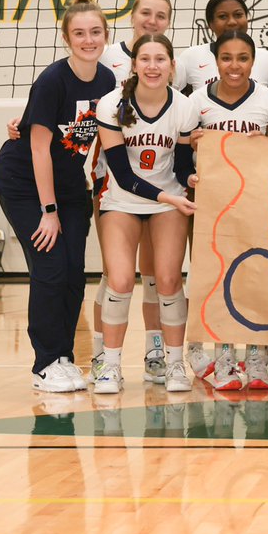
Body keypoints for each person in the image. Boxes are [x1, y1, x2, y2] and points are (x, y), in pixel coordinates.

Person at [0, 0, 116, 392]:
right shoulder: (51, 81)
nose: (88, 39)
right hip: (24, 181)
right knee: (50, 268)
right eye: (79, 33)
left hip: (68, 185)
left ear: (106, 35)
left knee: (74, 273)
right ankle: (45, 364)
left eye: (95, 32)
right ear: (67, 38)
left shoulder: (108, 81)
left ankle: (64, 356)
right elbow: (38, 148)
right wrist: (49, 211)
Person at [93, 33, 199, 395]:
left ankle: (173, 365)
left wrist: (193, 178)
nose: (153, 66)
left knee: (169, 281)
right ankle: (109, 365)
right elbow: (123, 175)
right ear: (134, 65)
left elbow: (182, 166)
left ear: (172, 66)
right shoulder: (110, 105)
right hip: (122, 200)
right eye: (145, 59)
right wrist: (171, 198)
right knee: (120, 280)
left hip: (167, 202)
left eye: (160, 59)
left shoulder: (185, 107)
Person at [187, 30, 268, 391]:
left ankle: (258, 358)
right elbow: (182, 153)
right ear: (215, 61)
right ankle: (224, 356)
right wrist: (190, 143)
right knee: (215, 278)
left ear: (253, 61)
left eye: (242, 58)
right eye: (226, 57)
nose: (234, 65)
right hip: (212, 206)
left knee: (257, 276)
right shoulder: (197, 102)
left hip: (257, 204)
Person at [175, 0, 268, 93]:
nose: (232, 22)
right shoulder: (190, 57)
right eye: (223, 16)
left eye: (238, 15)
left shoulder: (266, 58)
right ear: (210, 24)